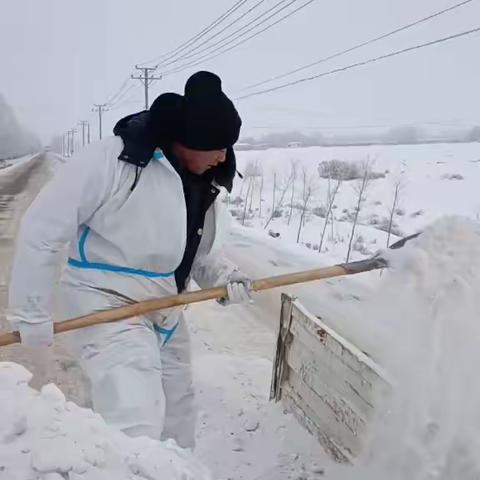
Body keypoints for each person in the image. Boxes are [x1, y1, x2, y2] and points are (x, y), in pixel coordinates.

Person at [7, 71, 253, 449]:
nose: (224, 156)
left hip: (167, 306)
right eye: (218, 146)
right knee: (135, 417)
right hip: (108, 302)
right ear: (191, 138)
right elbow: (43, 229)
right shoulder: (116, 159)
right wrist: (31, 312)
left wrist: (225, 276)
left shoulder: (203, 181)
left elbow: (197, 254)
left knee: (178, 415)